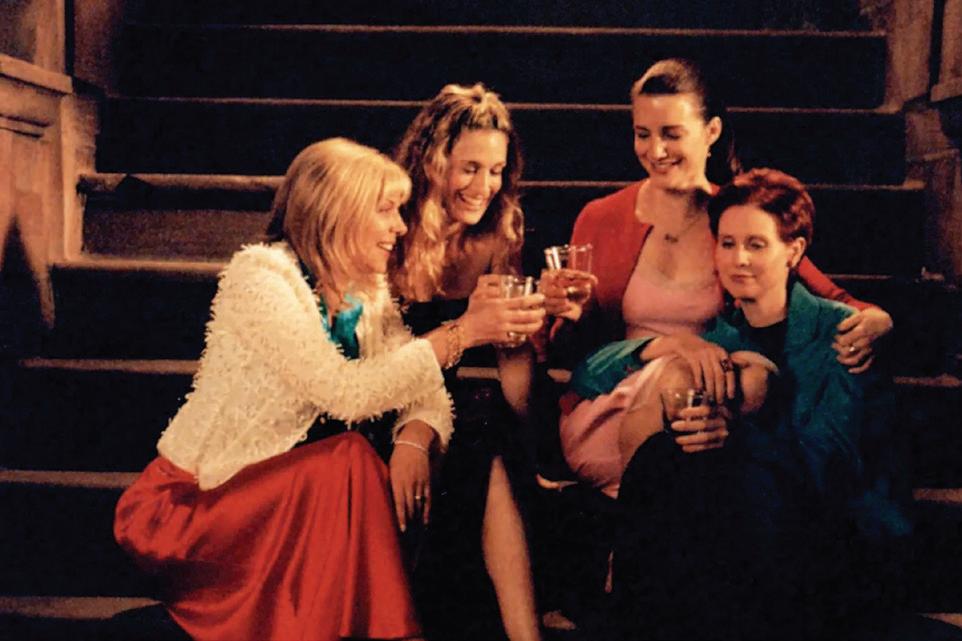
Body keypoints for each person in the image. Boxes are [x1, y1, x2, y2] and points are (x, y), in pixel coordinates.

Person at [113, 138, 537, 641]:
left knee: (440, 435)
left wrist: (413, 438)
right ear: (339, 213)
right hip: (194, 504)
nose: (400, 227)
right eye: (385, 211)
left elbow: (421, 387)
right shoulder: (261, 278)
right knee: (350, 457)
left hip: (291, 499)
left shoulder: (363, 289)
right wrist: (462, 333)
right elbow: (344, 393)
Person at [573, 168, 913, 639]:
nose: (739, 260)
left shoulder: (842, 332)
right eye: (727, 244)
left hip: (840, 536)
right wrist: (668, 345)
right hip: (748, 535)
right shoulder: (721, 337)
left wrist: (734, 432)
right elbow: (588, 374)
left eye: (756, 244)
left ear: (793, 251)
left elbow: (833, 464)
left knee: (707, 478)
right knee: (661, 457)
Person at [545, 58, 894, 500]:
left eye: (671, 134)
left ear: (711, 132)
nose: (655, 151)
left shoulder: (737, 218)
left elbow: (832, 298)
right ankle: (639, 523)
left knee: (744, 391)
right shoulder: (600, 218)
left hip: (708, 411)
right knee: (687, 395)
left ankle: (638, 526)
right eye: (642, 134)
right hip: (610, 406)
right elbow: (569, 353)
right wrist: (569, 315)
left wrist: (879, 320)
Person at [392, 83, 545, 641]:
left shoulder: (499, 232)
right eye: (470, 168)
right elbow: (377, 362)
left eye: (496, 170)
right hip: (385, 398)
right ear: (432, 163)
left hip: (461, 409)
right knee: (477, 424)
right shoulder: (390, 227)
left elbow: (519, 394)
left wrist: (520, 337)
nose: (485, 186)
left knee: (488, 420)